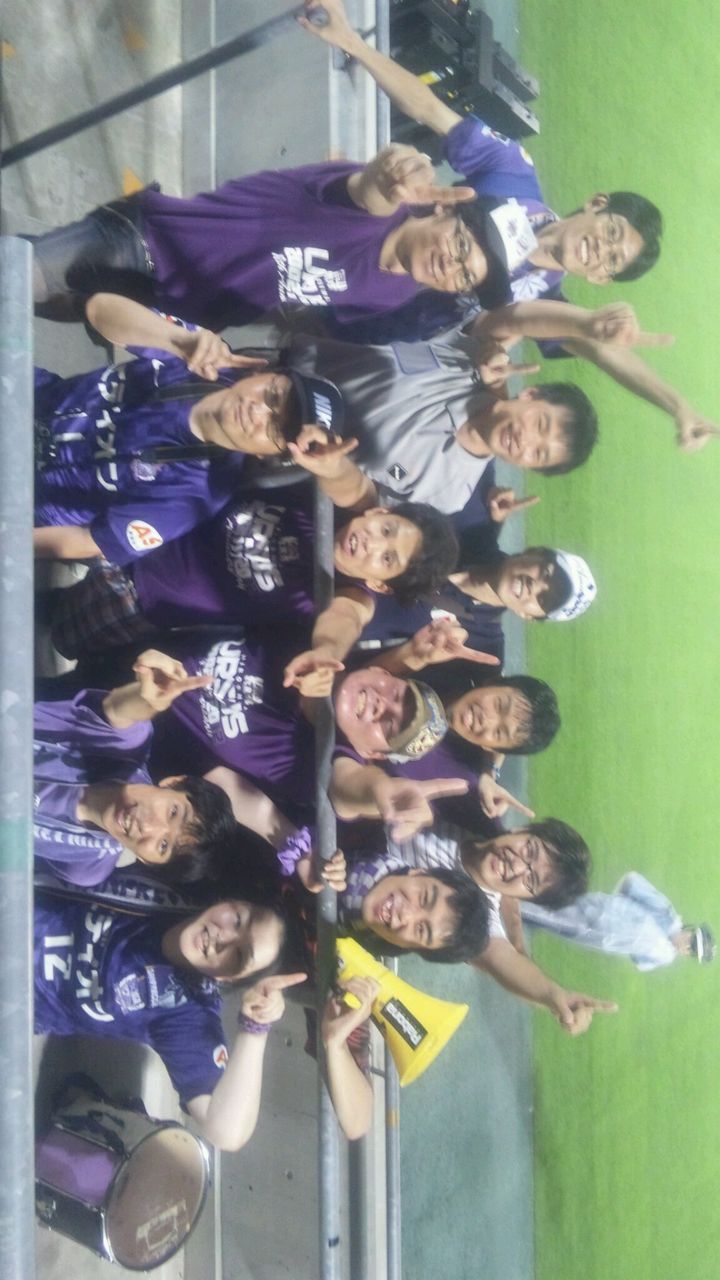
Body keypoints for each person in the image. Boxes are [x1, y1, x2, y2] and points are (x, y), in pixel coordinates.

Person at [300, 0, 720, 452]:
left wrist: (677, 406)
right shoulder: (513, 174)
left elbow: (601, 346)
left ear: (600, 278)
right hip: (344, 252)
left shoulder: (543, 300)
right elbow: (429, 109)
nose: (601, 249)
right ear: (596, 204)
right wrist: (352, 42)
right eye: (612, 232)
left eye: (611, 261)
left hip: (356, 331)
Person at [26, 143, 506, 332]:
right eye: (461, 246)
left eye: (465, 276)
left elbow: (290, 301)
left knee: (37, 304)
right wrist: (384, 181)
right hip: (145, 244)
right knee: (18, 279)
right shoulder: (371, 207)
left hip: (169, 308)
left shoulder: (394, 293)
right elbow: (368, 191)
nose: (452, 265)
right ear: (444, 210)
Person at [33, 293, 344, 563]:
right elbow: (98, 309)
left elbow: (89, 541)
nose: (257, 410)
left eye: (276, 428)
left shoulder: (196, 494)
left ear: (266, 454)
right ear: (264, 372)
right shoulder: (204, 356)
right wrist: (176, 340)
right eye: (273, 395)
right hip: (31, 394)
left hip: (28, 491)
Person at [34, 886, 306, 1151]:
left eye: (238, 955)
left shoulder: (188, 1013)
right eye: (237, 919)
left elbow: (226, 1133)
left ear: (231, 979)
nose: (223, 937)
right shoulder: (174, 889)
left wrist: (255, 1027)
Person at [33, 647, 236, 887]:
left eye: (164, 845)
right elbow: (120, 710)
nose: (148, 826)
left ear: (147, 861)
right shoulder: (126, 746)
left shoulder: (86, 867)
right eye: (173, 812)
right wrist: (148, 697)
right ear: (173, 782)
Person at [520, 871, 716, 970]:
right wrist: (613, 909)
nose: (686, 948)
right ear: (690, 930)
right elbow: (632, 882)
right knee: (548, 911)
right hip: (599, 909)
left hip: (597, 937)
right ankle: (508, 897)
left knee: (549, 918)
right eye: (692, 942)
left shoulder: (664, 956)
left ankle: (512, 899)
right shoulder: (665, 912)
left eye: (691, 952)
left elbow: (638, 960)